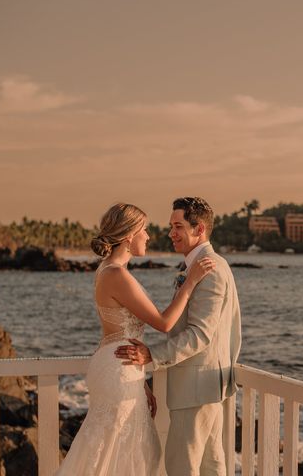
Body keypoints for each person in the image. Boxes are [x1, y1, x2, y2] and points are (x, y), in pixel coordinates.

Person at [56, 202, 215, 476]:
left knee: (127, 449)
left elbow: (118, 332)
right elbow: (164, 323)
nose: (150, 236)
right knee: (117, 452)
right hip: (119, 368)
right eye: (145, 230)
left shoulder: (108, 270)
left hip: (120, 365)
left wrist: (140, 382)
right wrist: (190, 282)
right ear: (129, 235)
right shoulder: (117, 274)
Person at [116, 196, 242, 476]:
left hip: (197, 387)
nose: (171, 233)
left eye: (178, 226)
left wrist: (153, 354)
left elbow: (199, 334)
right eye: (171, 226)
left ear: (200, 230)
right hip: (205, 384)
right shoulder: (201, 266)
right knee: (211, 466)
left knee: (181, 466)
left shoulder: (210, 270)